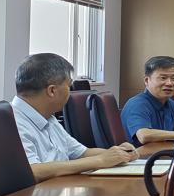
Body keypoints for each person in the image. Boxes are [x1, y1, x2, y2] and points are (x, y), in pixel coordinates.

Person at [11, 53, 137, 181]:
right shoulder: (11, 122)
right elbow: (33, 170)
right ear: (52, 91)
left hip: (59, 186)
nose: (71, 91)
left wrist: (120, 154)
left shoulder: (48, 116)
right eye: (69, 86)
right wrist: (100, 160)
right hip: (39, 192)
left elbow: (81, 153)